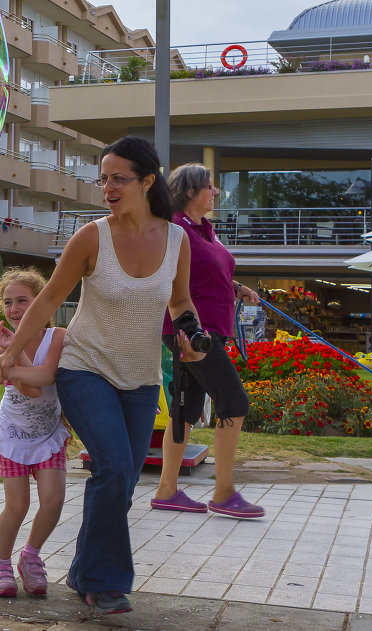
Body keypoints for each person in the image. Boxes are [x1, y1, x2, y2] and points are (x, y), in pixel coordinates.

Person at [0, 136, 206, 616]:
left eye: (118, 178)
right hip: (84, 368)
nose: (107, 186)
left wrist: (189, 333)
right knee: (114, 466)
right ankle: (106, 583)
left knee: (122, 483)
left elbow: (180, 301)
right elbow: (46, 302)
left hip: (142, 377)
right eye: (102, 177)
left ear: (147, 181)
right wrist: (12, 356)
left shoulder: (176, 240)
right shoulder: (91, 237)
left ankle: (86, 569)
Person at [151, 163, 265, 519]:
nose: (215, 192)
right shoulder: (173, 228)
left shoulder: (204, 230)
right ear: (190, 191)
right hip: (191, 332)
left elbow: (202, 271)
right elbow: (169, 275)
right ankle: (224, 492)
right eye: (210, 187)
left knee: (184, 409)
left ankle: (167, 491)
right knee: (233, 401)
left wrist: (236, 287)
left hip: (206, 329)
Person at [0, 267, 70, 599]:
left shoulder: (57, 336)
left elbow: (46, 376)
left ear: (41, 302)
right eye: (8, 302)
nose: (15, 308)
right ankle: (0, 565)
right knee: (17, 505)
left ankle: (30, 557)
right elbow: (29, 390)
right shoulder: (2, 349)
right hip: (12, 436)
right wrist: (9, 354)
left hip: (48, 434)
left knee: (54, 500)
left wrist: (9, 363)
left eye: (23, 300)